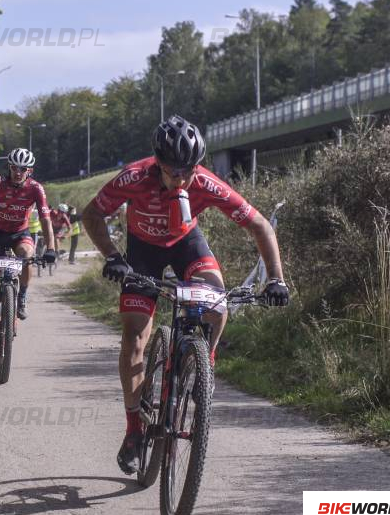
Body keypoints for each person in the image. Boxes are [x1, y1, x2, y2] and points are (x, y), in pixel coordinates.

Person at [81, 115, 290, 476]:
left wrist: (277, 279)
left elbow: (260, 225)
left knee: (217, 301)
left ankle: (203, 360)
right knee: (133, 341)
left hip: (186, 246)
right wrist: (113, 257)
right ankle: (134, 429)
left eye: (188, 171)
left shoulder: (204, 182)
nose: (182, 178)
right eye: (173, 171)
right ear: (157, 164)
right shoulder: (133, 176)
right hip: (143, 252)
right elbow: (92, 215)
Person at [0, 148, 57, 360]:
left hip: (19, 233)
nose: (18, 172)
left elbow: (46, 220)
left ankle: (21, 296)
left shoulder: (36, 189)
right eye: (14, 167)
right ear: (9, 167)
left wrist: (51, 248)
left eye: (23, 168)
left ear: (29, 170)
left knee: (26, 255)